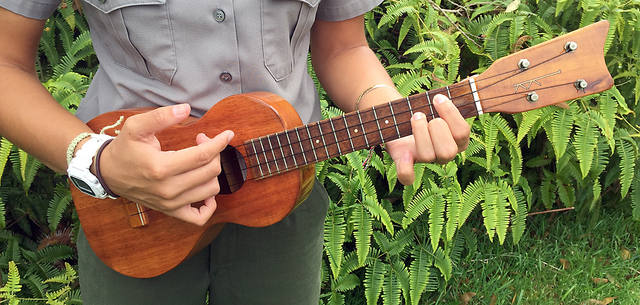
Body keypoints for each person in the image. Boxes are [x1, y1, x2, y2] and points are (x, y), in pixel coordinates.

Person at [0, 0, 470, 304]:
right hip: (130, 213)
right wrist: (95, 159)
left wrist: (384, 111)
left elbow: (343, 46)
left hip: (283, 201)